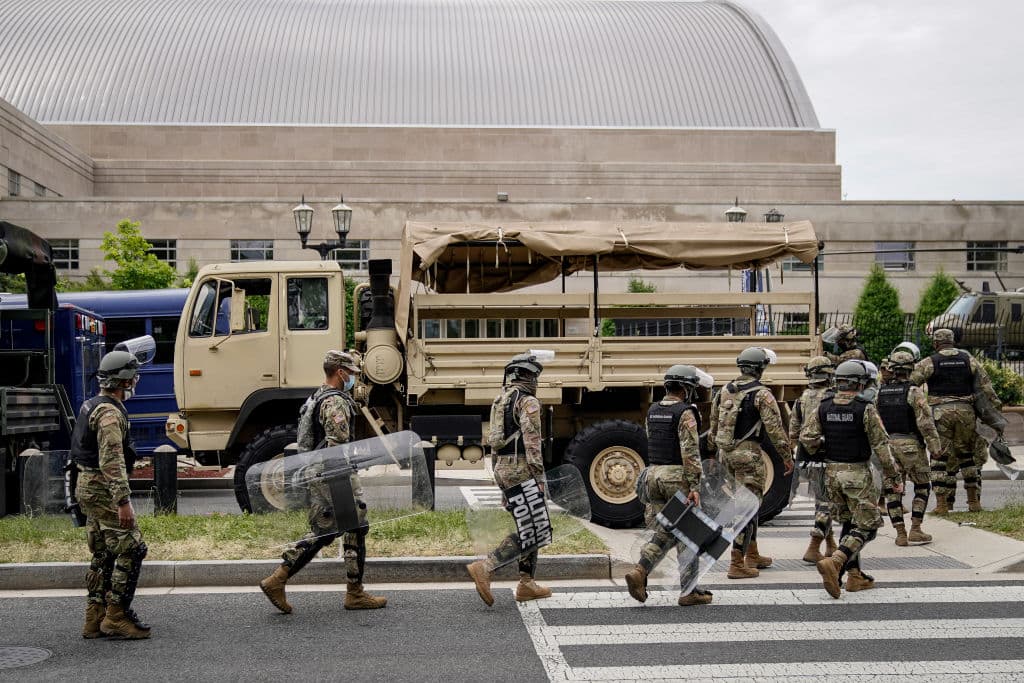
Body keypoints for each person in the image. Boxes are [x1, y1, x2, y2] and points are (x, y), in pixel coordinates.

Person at [259, 350, 387, 613]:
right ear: (340, 373)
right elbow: (337, 445)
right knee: (330, 530)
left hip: (319, 473)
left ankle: (354, 592)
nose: (353, 379)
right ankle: (279, 579)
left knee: (349, 528)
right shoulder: (335, 403)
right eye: (351, 373)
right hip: (333, 474)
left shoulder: (317, 396)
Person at [800, 360, 902, 599]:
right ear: (859, 383)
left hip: (831, 475)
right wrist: (894, 477)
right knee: (867, 526)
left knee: (849, 522)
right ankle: (836, 562)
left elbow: (807, 438)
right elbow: (881, 445)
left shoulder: (824, 406)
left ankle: (855, 576)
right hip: (857, 474)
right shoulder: (864, 407)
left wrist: (823, 449)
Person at [71, 349, 151, 639]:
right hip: (103, 488)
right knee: (132, 547)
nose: (135, 383)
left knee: (103, 551)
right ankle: (116, 615)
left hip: (87, 486)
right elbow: (112, 460)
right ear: (125, 381)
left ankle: (94, 617)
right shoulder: (109, 414)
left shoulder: (91, 404)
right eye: (133, 378)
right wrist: (123, 502)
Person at [466, 352, 552, 606]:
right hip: (522, 467)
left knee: (529, 525)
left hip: (503, 467)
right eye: (535, 376)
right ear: (528, 376)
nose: (536, 381)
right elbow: (533, 444)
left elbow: (493, 441)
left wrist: (500, 479)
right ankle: (487, 566)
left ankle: (527, 583)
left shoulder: (499, 400)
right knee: (537, 528)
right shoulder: (528, 402)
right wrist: (539, 478)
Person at [625, 365, 713, 607]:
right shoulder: (685, 412)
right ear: (686, 389)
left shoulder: (653, 410)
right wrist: (695, 485)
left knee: (665, 529)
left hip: (653, 474)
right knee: (688, 534)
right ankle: (689, 591)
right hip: (676, 476)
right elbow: (690, 451)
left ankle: (640, 571)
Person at [708, 347, 793, 579]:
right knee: (747, 508)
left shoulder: (724, 390)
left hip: (726, 455)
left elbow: (713, 426)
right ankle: (737, 562)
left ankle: (752, 553)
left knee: (745, 504)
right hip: (749, 456)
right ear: (761, 368)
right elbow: (775, 429)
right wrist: (787, 457)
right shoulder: (762, 394)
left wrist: (713, 454)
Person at [910, 328, 1003, 513]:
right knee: (967, 456)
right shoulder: (969, 360)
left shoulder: (930, 362)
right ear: (953, 341)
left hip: (940, 414)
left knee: (939, 457)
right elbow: (986, 388)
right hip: (966, 413)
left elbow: (911, 383)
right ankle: (973, 502)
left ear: (936, 343)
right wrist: (995, 411)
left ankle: (942, 504)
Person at [876, 350, 944, 545]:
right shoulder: (914, 392)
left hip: (888, 447)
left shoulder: (880, 393)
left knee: (892, 491)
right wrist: (935, 447)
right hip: (911, 446)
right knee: (922, 486)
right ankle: (916, 528)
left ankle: (900, 533)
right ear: (910, 369)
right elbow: (926, 423)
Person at [789, 356, 837, 564]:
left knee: (822, 499)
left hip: (807, 457)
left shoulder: (802, 398)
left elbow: (793, 431)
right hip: (831, 454)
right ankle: (813, 546)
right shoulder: (833, 397)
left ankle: (830, 544)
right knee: (827, 503)